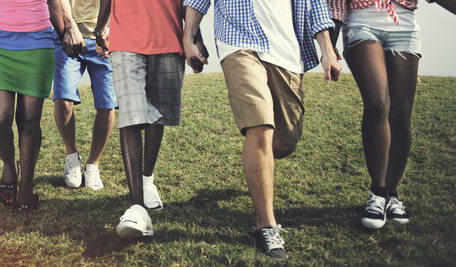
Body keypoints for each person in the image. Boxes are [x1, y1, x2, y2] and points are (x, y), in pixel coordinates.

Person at [184, 0, 341, 260]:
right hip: (237, 41)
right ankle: (266, 226)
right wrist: (188, 36)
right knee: (260, 125)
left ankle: (260, 165)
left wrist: (327, 48)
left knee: (283, 141)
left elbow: (315, 4)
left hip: (285, 49)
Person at [0, 0, 85, 211]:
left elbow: (54, 2)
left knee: (29, 121)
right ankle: (10, 166)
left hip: (38, 42)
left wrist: (66, 32)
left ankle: (26, 189)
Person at [95, 0, 207, 239]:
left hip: (168, 37)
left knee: (157, 118)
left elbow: (188, 2)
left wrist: (196, 37)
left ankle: (147, 180)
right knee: (131, 116)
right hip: (124, 39)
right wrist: (100, 28)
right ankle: (137, 207)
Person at [327, 0, 421, 231]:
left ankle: (392, 193)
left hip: (405, 26)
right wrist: (329, 46)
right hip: (361, 23)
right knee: (378, 103)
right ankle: (377, 192)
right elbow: (336, 4)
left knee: (400, 114)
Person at [52, 0, 116, 191]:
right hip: (68, 35)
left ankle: (93, 165)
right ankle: (72, 157)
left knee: (107, 103)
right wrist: (68, 29)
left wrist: (111, 29)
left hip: (103, 39)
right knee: (63, 99)